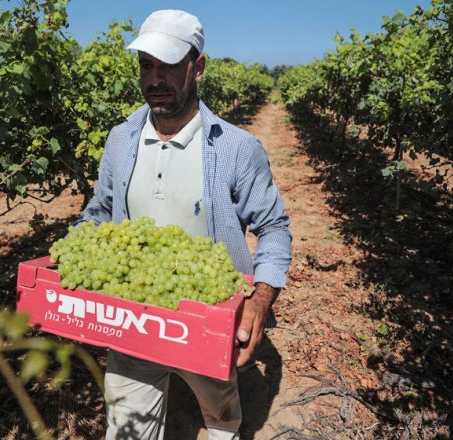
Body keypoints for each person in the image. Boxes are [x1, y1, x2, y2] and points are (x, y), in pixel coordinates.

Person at [76, 9, 292, 440]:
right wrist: (69, 264)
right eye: (146, 65)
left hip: (207, 321)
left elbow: (274, 227)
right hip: (131, 318)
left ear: (198, 66)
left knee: (221, 415)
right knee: (126, 430)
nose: (155, 78)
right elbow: (100, 211)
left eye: (169, 65)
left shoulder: (236, 148)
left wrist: (260, 301)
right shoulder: (120, 139)